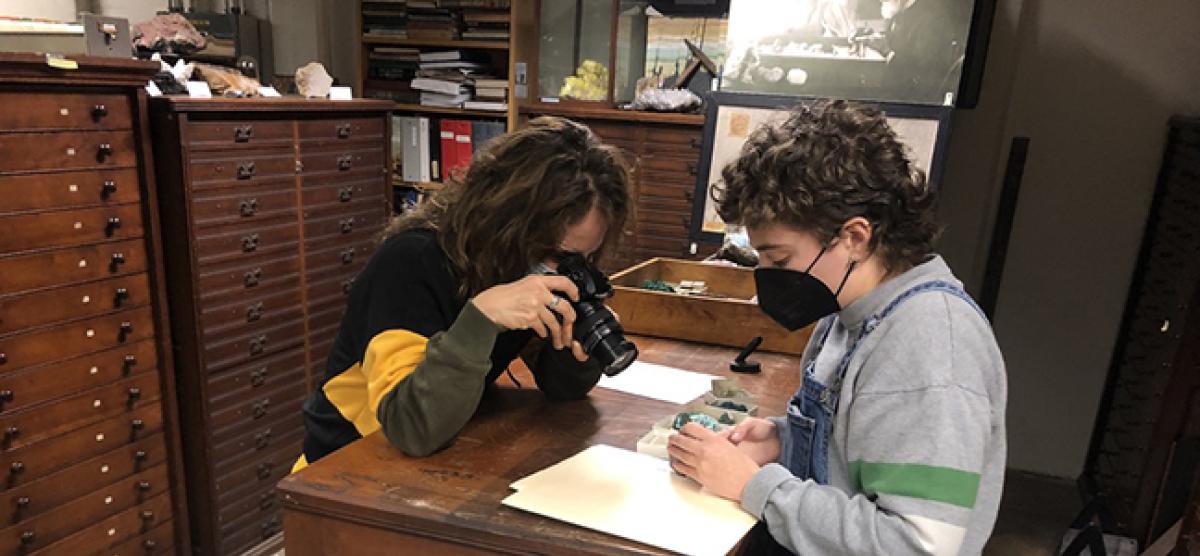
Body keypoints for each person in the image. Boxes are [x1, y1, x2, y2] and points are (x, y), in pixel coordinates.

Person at [667, 100, 1006, 555]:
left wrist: (757, 487)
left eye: (780, 259)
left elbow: (917, 545)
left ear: (854, 237)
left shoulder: (930, 345)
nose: (766, 274)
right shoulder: (848, 314)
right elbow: (864, 452)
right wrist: (784, 440)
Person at [293, 117, 630, 470]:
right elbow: (412, 428)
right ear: (508, 223)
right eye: (560, 254)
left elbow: (559, 387)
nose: (564, 271)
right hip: (343, 467)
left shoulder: (522, 266)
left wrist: (574, 349)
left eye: (586, 258)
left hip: (439, 456)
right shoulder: (410, 264)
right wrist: (480, 322)